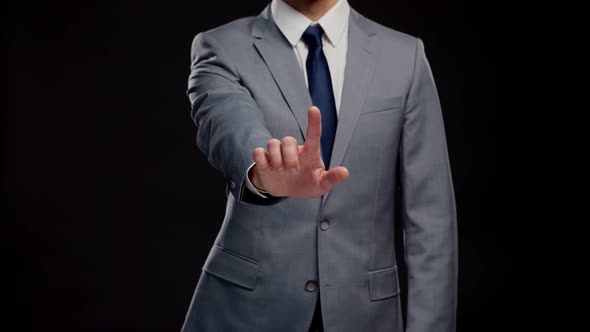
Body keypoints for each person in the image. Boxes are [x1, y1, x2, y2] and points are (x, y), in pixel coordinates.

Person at [181, 0, 457, 331]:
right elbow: (226, 124)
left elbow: (432, 216)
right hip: (246, 313)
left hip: (365, 315)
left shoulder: (405, 57)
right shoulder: (220, 46)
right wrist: (264, 172)